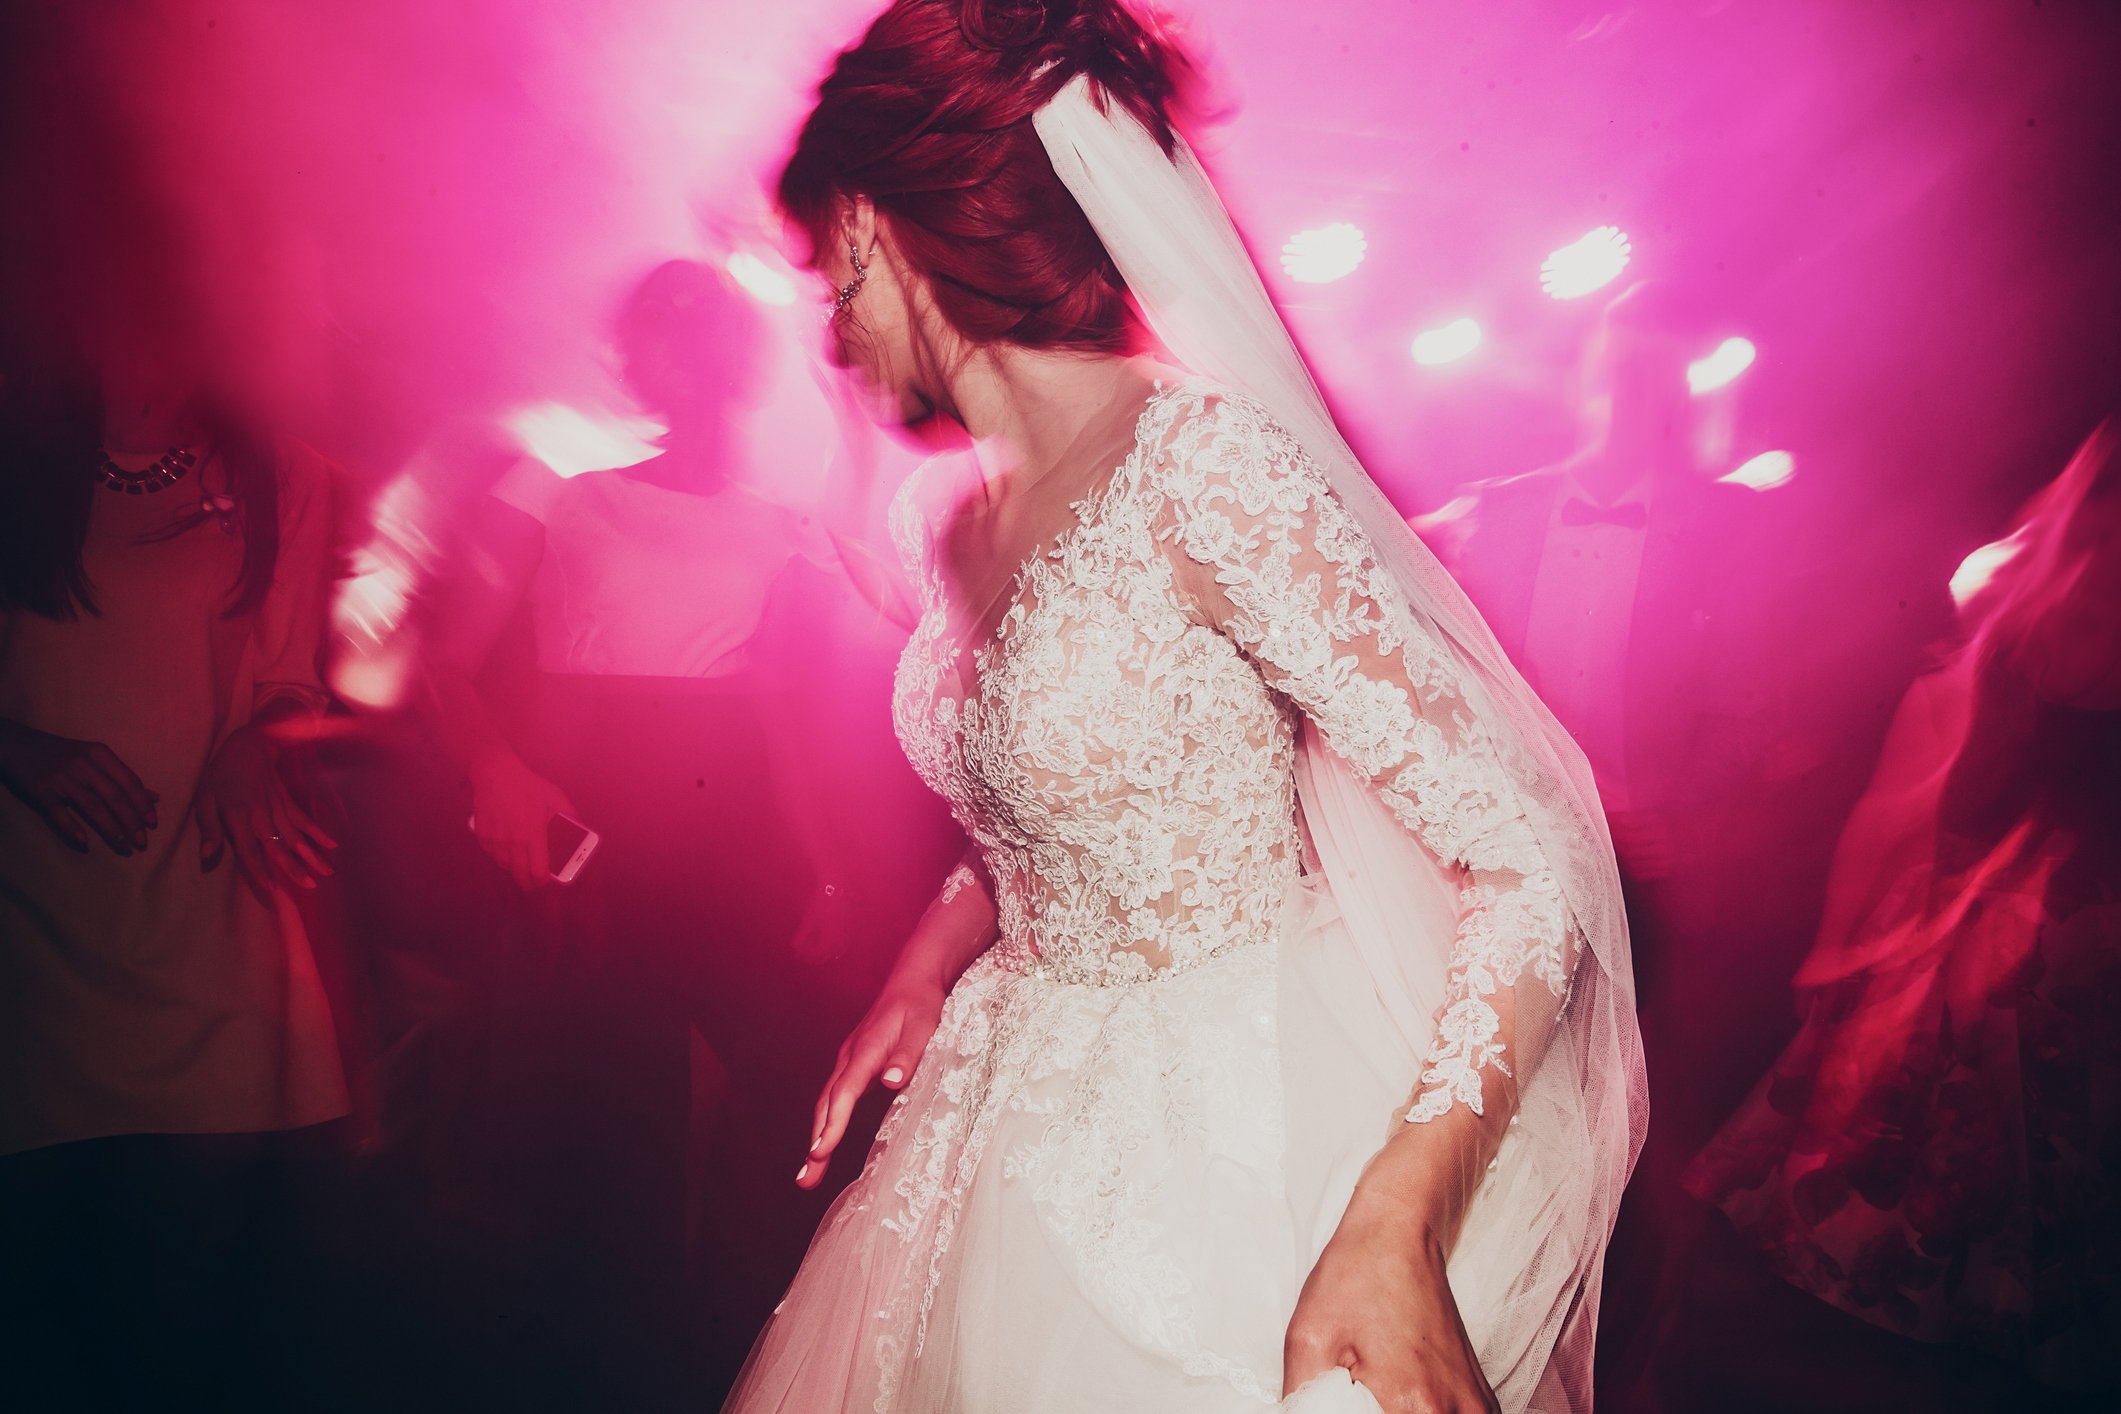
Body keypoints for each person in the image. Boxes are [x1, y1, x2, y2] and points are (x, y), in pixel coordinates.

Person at [724, 4, 1644, 1411]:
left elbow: (1531, 853)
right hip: (1002, 1102)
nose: (830, 333)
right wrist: (926, 956)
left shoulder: (1202, 469)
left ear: (873, 229)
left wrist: (1397, 1221)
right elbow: (1053, 800)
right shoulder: (939, 519)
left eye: (825, 278)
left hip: (1228, 1138)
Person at [420, 259, 865, 1403]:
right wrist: (495, 766)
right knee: (614, 1137)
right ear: (631, 357)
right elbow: (443, 667)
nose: (683, 348)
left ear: (739, 359)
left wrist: (826, 869)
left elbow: (777, 710)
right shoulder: (555, 489)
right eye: (658, 328)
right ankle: (613, 1369)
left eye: (703, 327)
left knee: (789, 1116)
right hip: (599, 827)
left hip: (734, 834)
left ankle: (732, 1365)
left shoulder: (778, 524)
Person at [1684, 420, 2121, 1395]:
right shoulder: (1998, 641)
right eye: (2100, 518)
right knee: (1888, 1236)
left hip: (2085, 997)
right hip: (1950, 976)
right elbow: (1890, 811)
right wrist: (1832, 944)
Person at [0, 323, 349, 1405]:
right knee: (37, 1307)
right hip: (31, 930)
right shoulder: (16, 443)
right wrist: (18, 749)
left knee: (187, 1315)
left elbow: (291, 682)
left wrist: (259, 743)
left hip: (209, 914)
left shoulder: (282, 468)